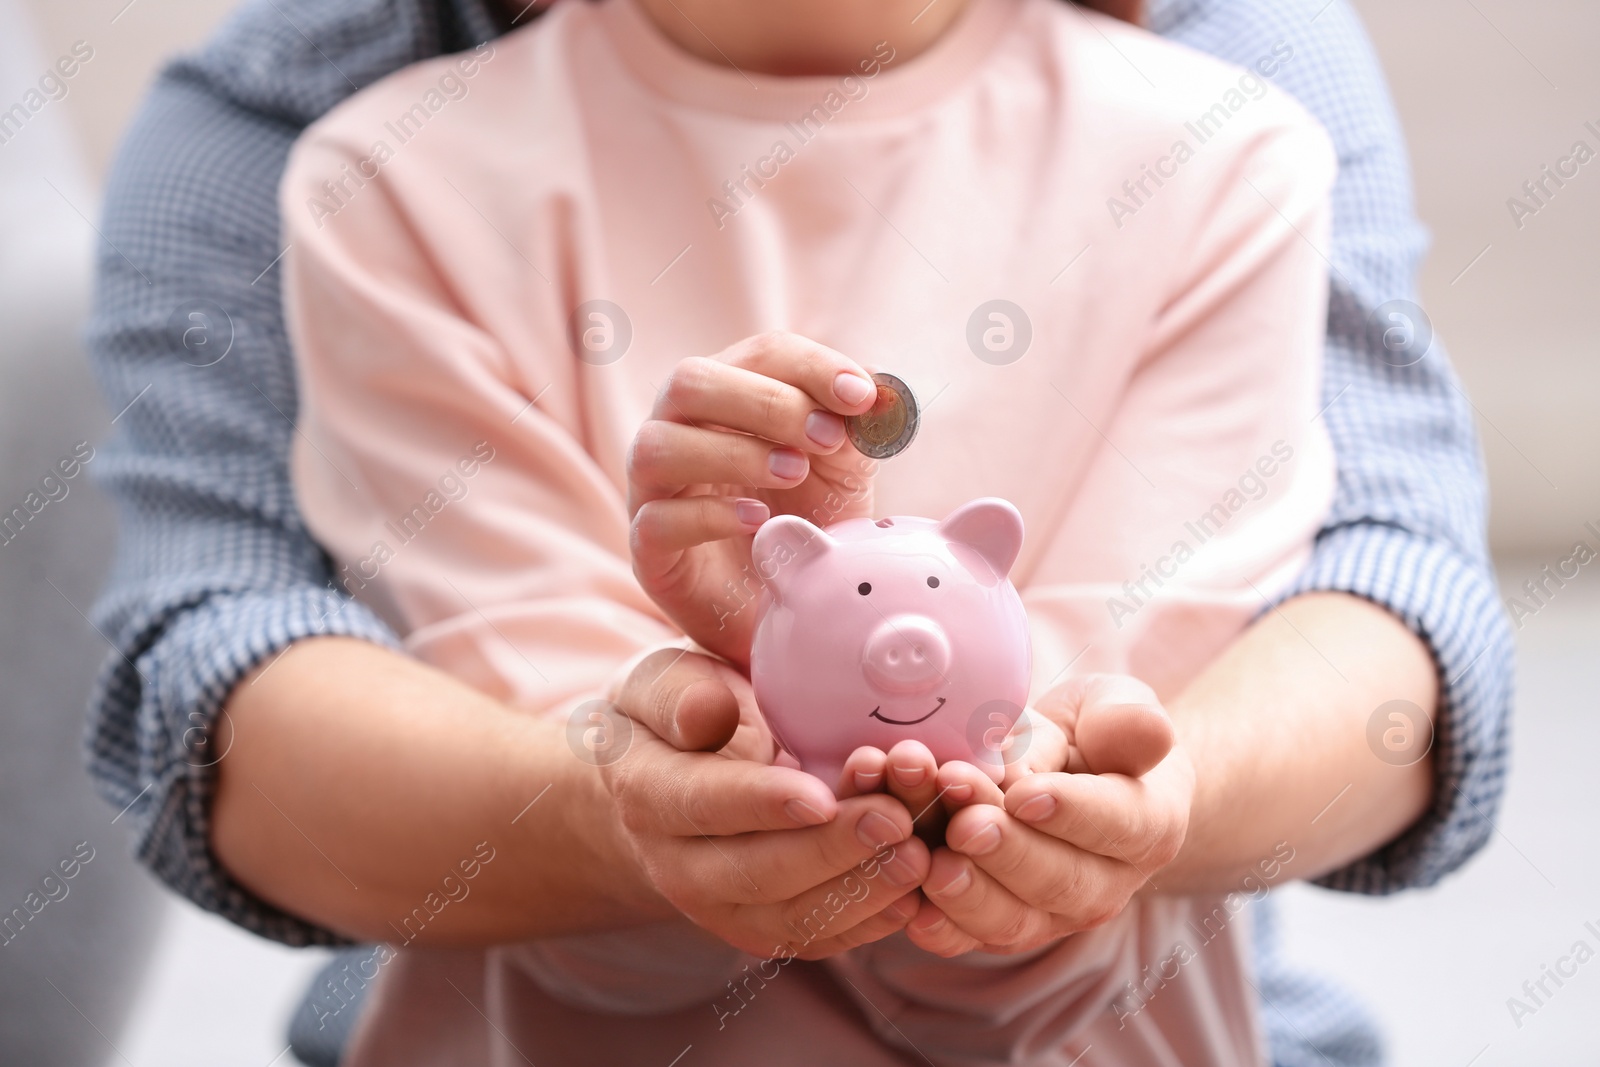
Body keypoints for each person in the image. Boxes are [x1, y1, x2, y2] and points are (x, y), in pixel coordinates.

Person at [82, 0, 1511, 1063]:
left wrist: (1094, 824)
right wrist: (661, 792)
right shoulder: (369, 171)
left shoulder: (1232, 142)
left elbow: (1395, 614)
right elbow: (211, 686)